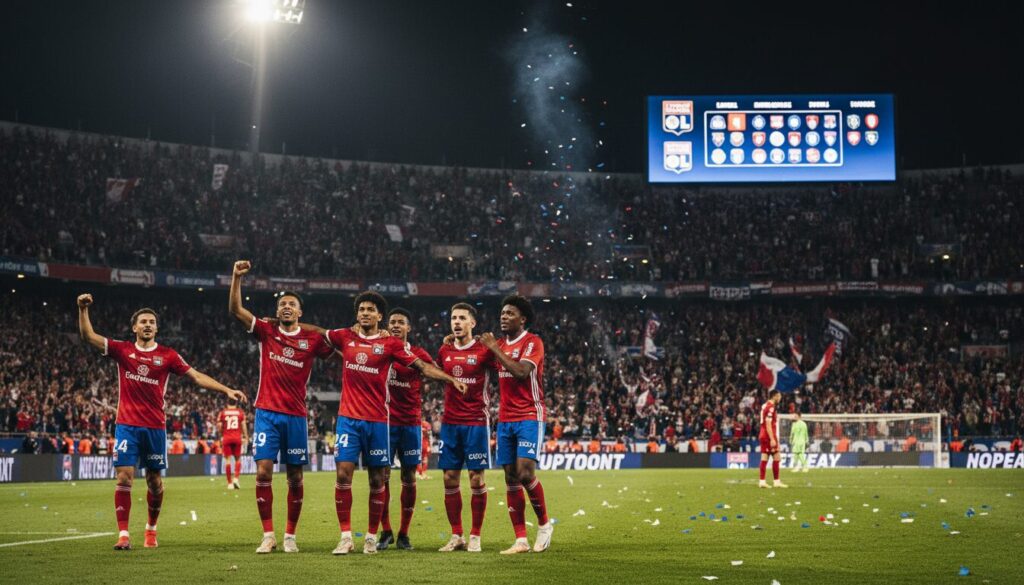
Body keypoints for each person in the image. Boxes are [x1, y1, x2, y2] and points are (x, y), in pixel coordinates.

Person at [299, 291, 467, 555]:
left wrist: (450, 378)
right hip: (349, 420)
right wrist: (284, 325)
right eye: (362, 309)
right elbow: (318, 331)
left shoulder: (391, 345)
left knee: (380, 479)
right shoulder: (345, 336)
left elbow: (423, 367)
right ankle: (346, 537)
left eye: (370, 309)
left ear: (379, 316)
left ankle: (372, 536)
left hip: (381, 421)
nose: (365, 313)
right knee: (344, 473)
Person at [77, 293, 245, 550]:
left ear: (156, 328)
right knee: (124, 478)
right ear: (134, 327)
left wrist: (226, 390)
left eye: (151, 322)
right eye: (143, 321)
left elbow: (196, 377)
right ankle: (123, 534)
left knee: (154, 482)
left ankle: (151, 529)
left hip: (155, 427)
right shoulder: (123, 350)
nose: (147, 325)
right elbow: (89, 336)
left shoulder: (168, 355)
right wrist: (83, 309)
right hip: (127, 426)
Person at [229, 260, 334, 554]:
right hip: (266, 413)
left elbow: (339, 348)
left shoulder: (312, 339)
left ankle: (290, 536)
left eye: (292, 304)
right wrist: (236, 277)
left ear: (300, 312)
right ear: (277, 311)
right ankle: (268, 535)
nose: (286, 307)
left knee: (295, 476)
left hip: (297, 416)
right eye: (282, 304)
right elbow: (236, 310)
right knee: (263, 472)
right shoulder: (266, 331)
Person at [480, 295, 553, 554]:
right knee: (510, 477)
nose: (504, 316)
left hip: (530, 415)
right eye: (502, 313)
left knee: (524, 473)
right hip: (506, 419)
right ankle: (520, 539)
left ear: (523, 319)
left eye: (510, 313)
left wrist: (495, 349)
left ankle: (544, 525)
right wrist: (455, 343)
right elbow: (474, 359)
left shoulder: (533, 342)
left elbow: (521, 372)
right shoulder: (497, 345)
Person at [436, 303, 495, 553]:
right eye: (453, 318)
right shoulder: (444, 350)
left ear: (473, 323)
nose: (457, 322)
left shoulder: (484, 350)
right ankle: (456, 534)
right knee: (449, 477)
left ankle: (475, 535)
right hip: (450, 423)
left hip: (476, 423)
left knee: (475, 478)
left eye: (462, 318)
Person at [377, 308, 436, 551]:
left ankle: (404, 534)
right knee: (380, 478)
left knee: (409, 476)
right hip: (384, 422)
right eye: (392, 322)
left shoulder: (418, 354)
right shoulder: (379, 351)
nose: (396, 326)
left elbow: (434, 373)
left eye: (401, 322)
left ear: (409, 328)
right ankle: (386, 531)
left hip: (411, 424)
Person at [758, 389, 787, 488]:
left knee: (766, 457)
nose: (780, 398)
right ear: (774, 396)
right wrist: (772, 438)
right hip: (768, 435)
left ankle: (762, 481)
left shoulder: (764, 405)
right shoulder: (771, 407)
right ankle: (776, 481)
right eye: (779, 396)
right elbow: (768, 423)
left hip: (762, 434)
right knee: (776, 457)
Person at [218, 397, 248, 490]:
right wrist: (246, 436)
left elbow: (219, 426)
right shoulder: (240, 412)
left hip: (226, 438)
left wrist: (220, 436)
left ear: (227, 403)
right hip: (237, 438)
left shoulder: (223, 413)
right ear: (236, 403)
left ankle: (230, 483)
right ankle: (236, 478)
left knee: (227, 460)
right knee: (238, 459)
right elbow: (243, 425)